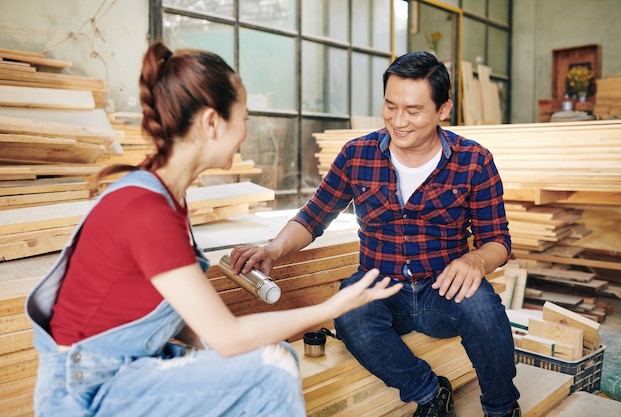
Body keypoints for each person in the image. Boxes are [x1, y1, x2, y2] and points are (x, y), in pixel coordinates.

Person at [25, 41, 402, 417]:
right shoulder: (146, 210)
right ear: (211, 122)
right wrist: (332, 307)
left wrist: (243, 348)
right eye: (243, 118)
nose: (244, 132)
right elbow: (226, 337)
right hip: (87, 391)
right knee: (266, 374)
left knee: (274, 355)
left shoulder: (167, 196)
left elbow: (192, 324)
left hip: (125, 365)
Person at [230, 51, 522, 417]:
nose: (398, 121)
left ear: (443, 109)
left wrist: (475, 260)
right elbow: (312, 217)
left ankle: (501, 408)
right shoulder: (357, 155)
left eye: (413, 111)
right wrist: (272, 250)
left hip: (442, 291)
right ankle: (430, 393)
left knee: (483, 307)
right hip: (382, 287)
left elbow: (498, 240)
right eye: (390, 106)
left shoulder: (473, 161)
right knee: (351, 313)